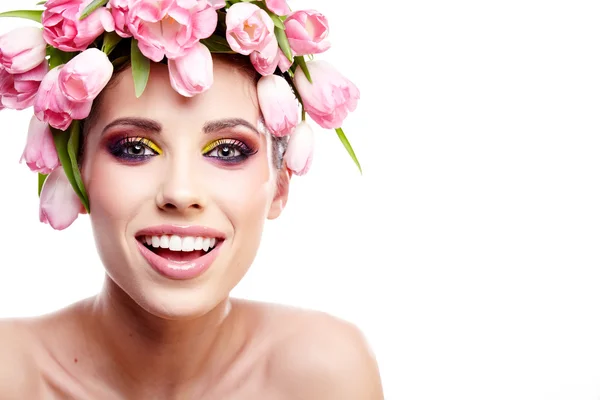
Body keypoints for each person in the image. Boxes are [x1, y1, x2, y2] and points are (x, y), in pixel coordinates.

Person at [0, 0, 383, 398]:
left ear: (280, 187)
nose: (180, 193)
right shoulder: (10, 376)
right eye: (134, 148)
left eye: (227, 151)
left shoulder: (323, 376)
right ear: (77, 175)